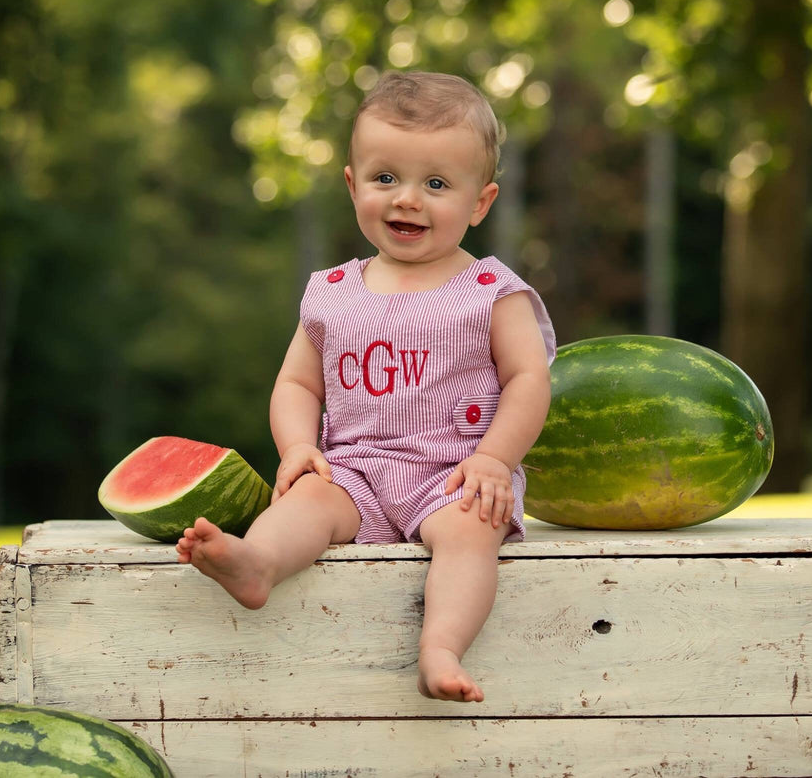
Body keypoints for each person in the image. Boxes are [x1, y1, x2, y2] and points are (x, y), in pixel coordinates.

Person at [176, 71, 555, 703]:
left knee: (469, 536)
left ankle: (440, 647)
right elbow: (297, 383)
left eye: (436, 184)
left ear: (480, 203)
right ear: (353, 186)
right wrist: (298, 447)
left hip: (453, 473)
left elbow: (528, 380)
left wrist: (495, 458)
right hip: (355, 469)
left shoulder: (491, 292)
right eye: (386, 178)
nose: (408, 199)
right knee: (305, 505)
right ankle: (255, 564)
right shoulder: (332, 293)